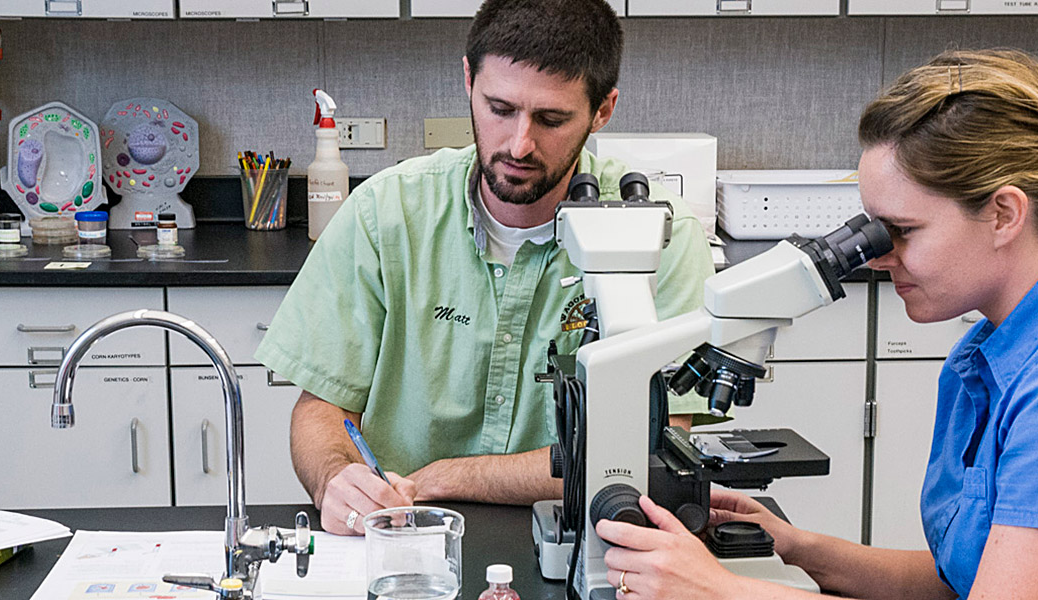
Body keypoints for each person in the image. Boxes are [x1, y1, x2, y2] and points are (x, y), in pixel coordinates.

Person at [595, 49, 1038, 599]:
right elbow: (965, 584)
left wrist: (719, 590)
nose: (879, 257)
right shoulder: (994, 351)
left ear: (1002, 214)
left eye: (901, 230)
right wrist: (797, 547)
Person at [256, 0, 715, 537]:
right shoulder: (387, 212)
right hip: (404, 537)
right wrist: (335, 477)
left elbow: (654, 442)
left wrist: (441, 478)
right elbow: (321, 408)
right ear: (468, 79)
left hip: (581, 538)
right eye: (499, 109)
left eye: (551, 119)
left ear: (602, 110)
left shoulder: (660, 236)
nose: (520, 144)